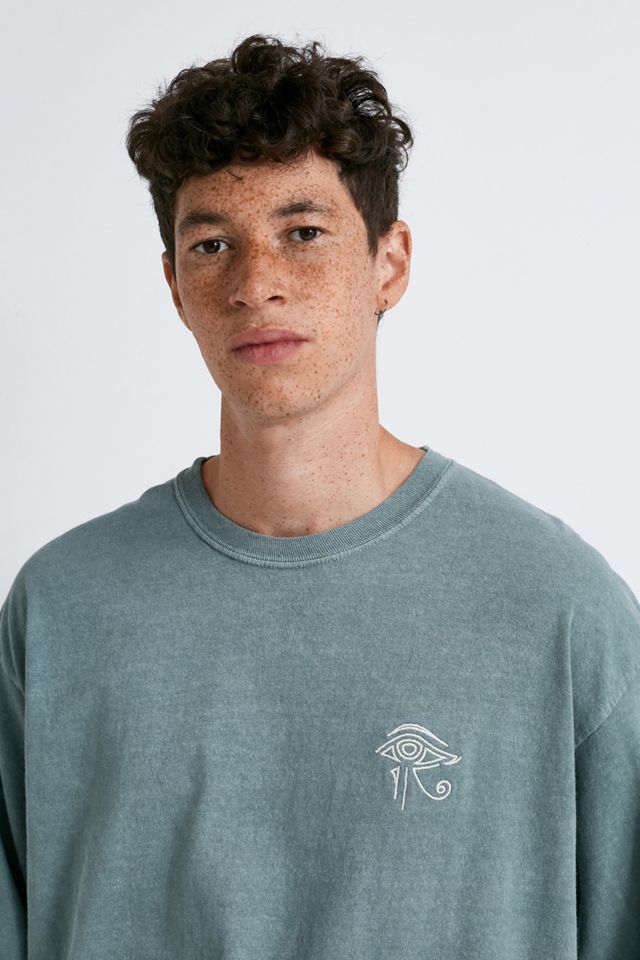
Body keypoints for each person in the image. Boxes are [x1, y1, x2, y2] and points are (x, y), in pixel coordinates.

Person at [1, 32, 638, 960]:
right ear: (174, 286)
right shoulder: (60, 612)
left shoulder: (559, 612)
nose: (256, 284)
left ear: (390, 262)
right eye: (212, 244)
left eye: (303, 234)